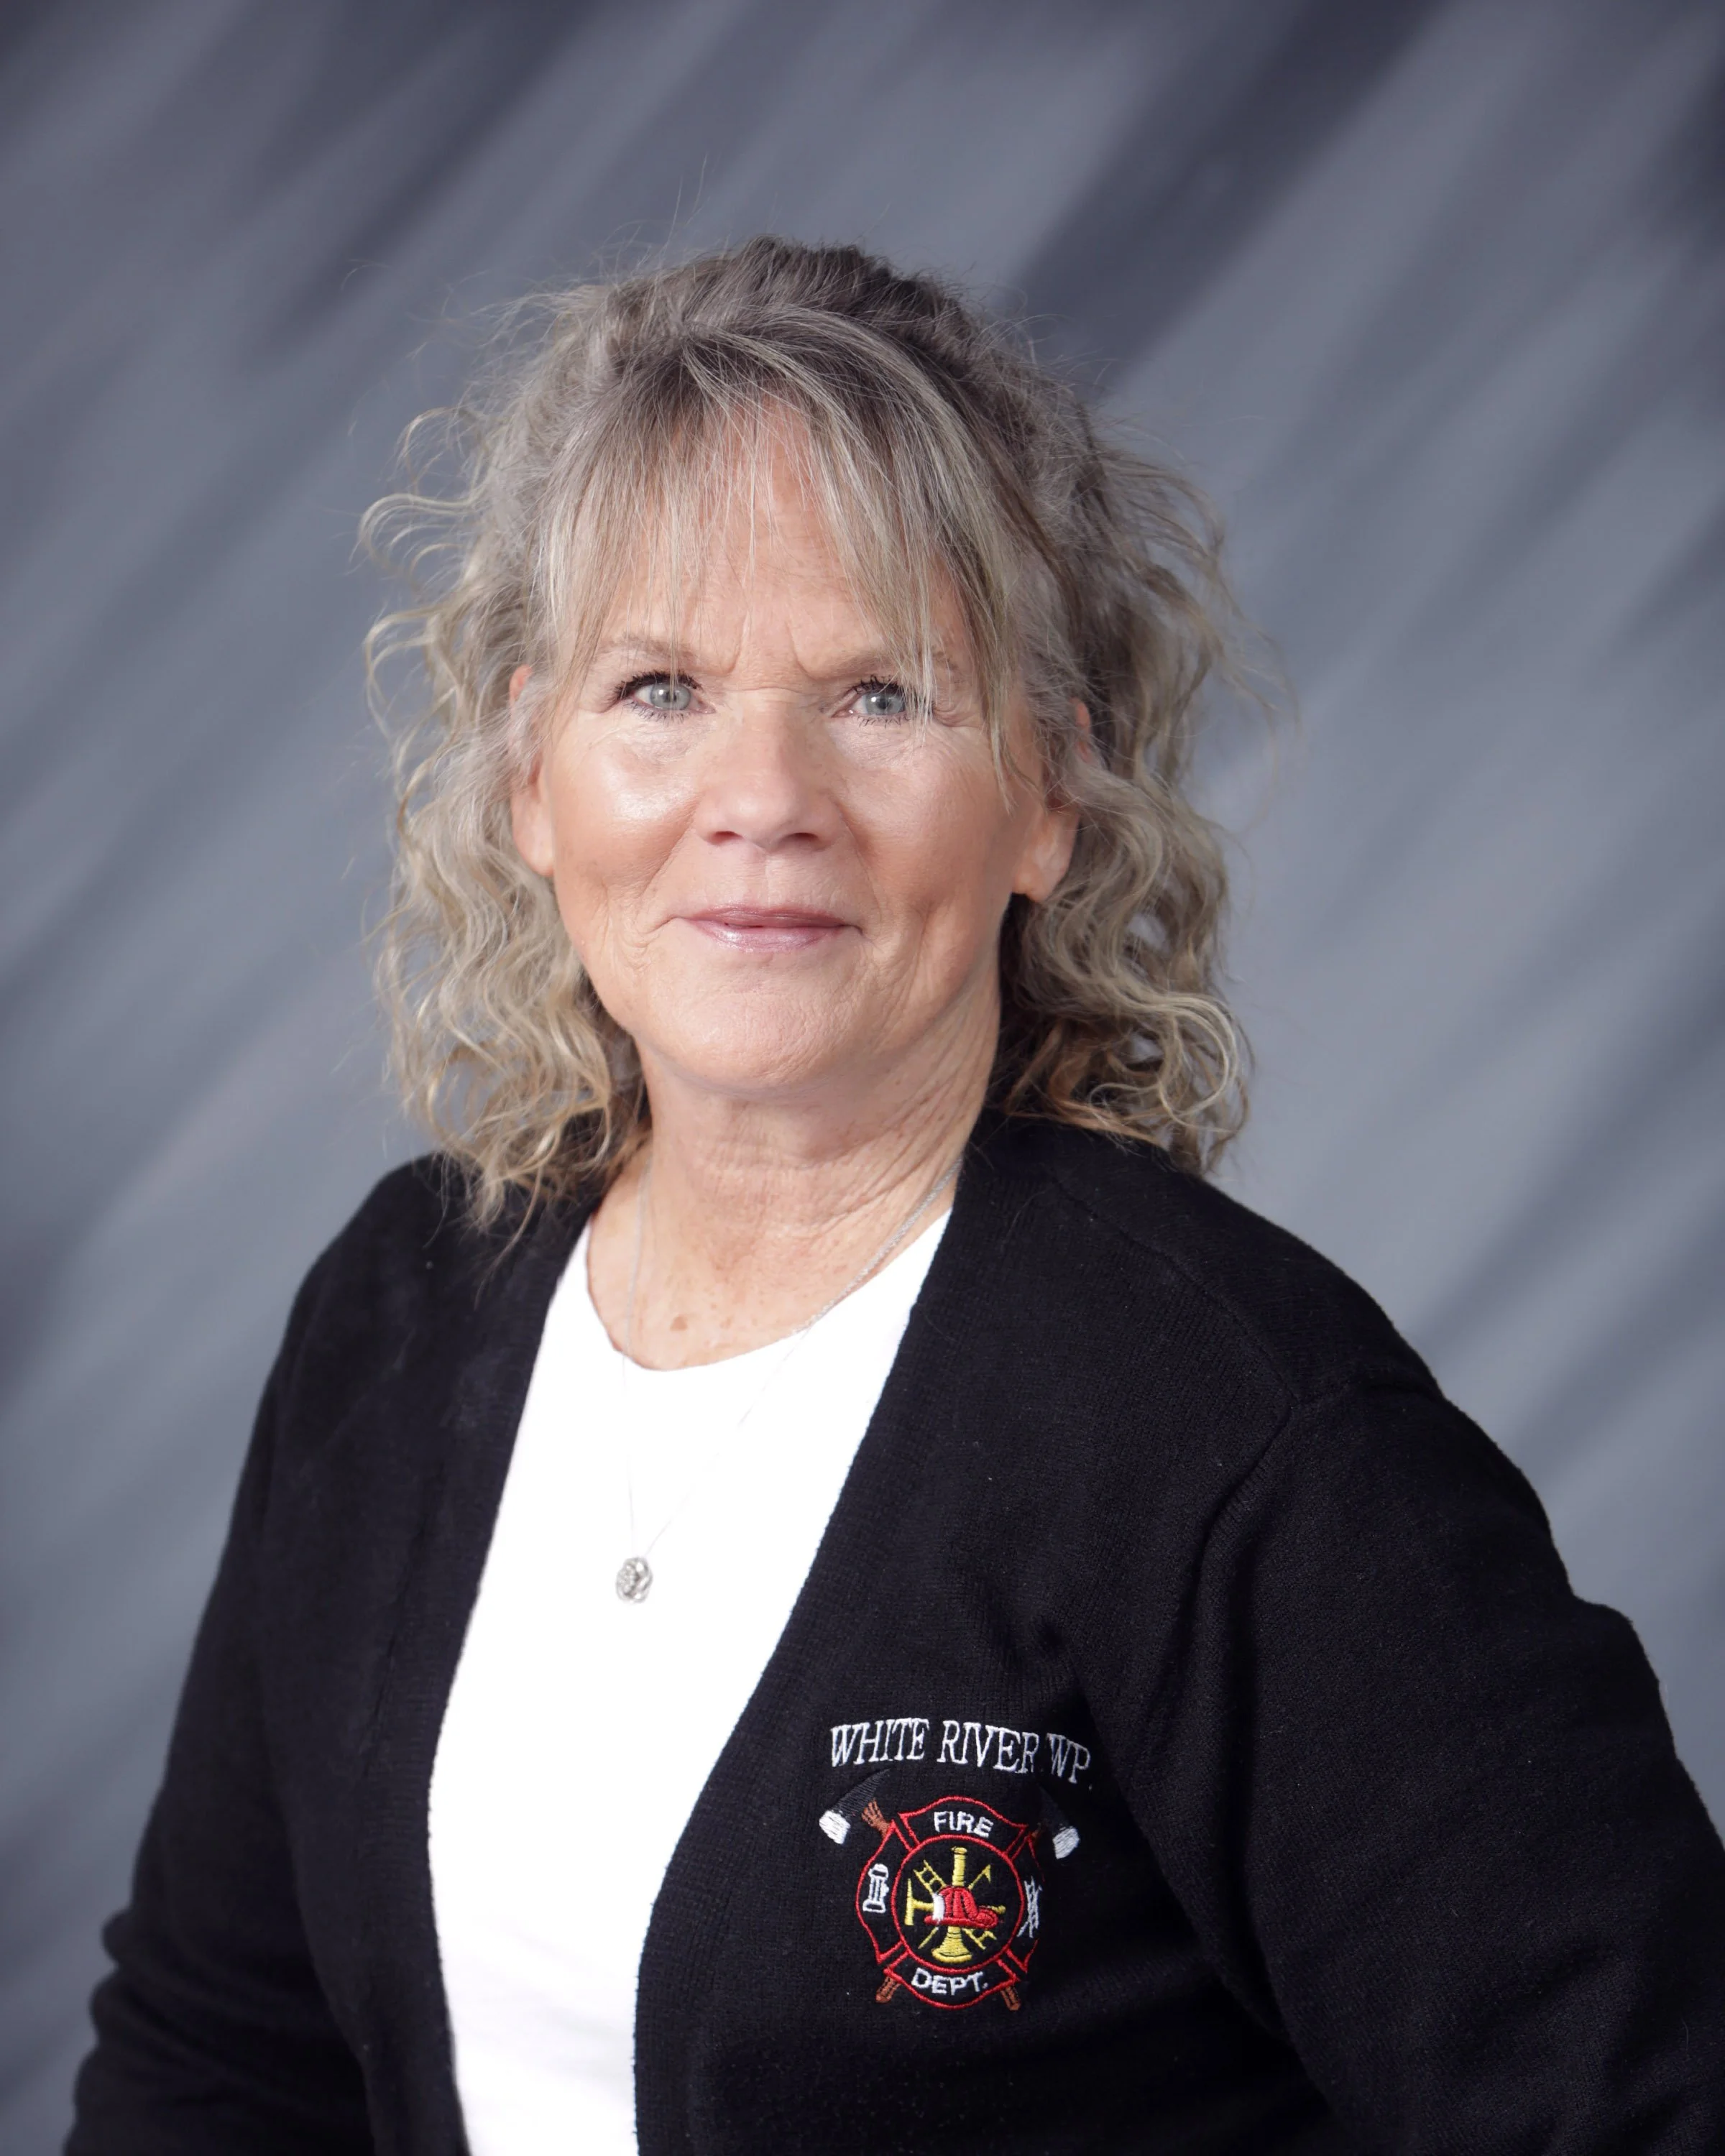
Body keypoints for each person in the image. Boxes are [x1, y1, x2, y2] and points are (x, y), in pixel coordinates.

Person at [69, 238, 1725, 2156]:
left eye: (881, 694)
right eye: (662, 684)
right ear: (533, 774)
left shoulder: (1233, 1431)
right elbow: (216, 2066)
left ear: (1049, 795)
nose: (761, 794)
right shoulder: (397, 1317)